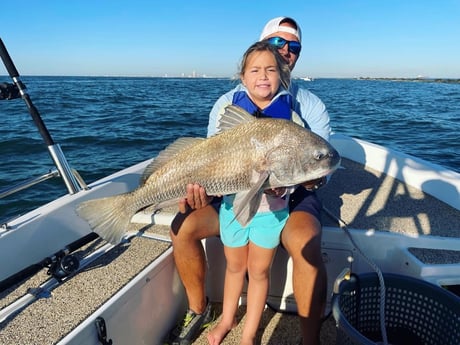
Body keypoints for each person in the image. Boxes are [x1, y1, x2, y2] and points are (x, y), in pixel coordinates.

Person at [168, 17, 331, 345]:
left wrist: (306, 182)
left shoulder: (309, 106)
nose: (285, 51)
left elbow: (321, 166)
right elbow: (214, 160)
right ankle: (200, 310)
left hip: (289, 196)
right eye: (276, 43)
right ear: (250, 62)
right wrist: (196, 191)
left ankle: (310, 339)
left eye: (293, 46)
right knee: (180, 226)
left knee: (306, 244)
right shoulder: (227, 105)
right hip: (234, 187)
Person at [206, 41, 295, 345]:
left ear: (281, 76)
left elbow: (298, 166)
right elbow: (215, 158)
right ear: (242, 78)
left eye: (271, 70)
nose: (263, 76)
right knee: (234, 267)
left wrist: (288, 185)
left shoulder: (291, 120)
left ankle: (249, 334)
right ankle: (227, 319)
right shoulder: (231, 116)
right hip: (233, 206)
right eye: (255, 70)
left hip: (271, 210)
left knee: (258, 272)